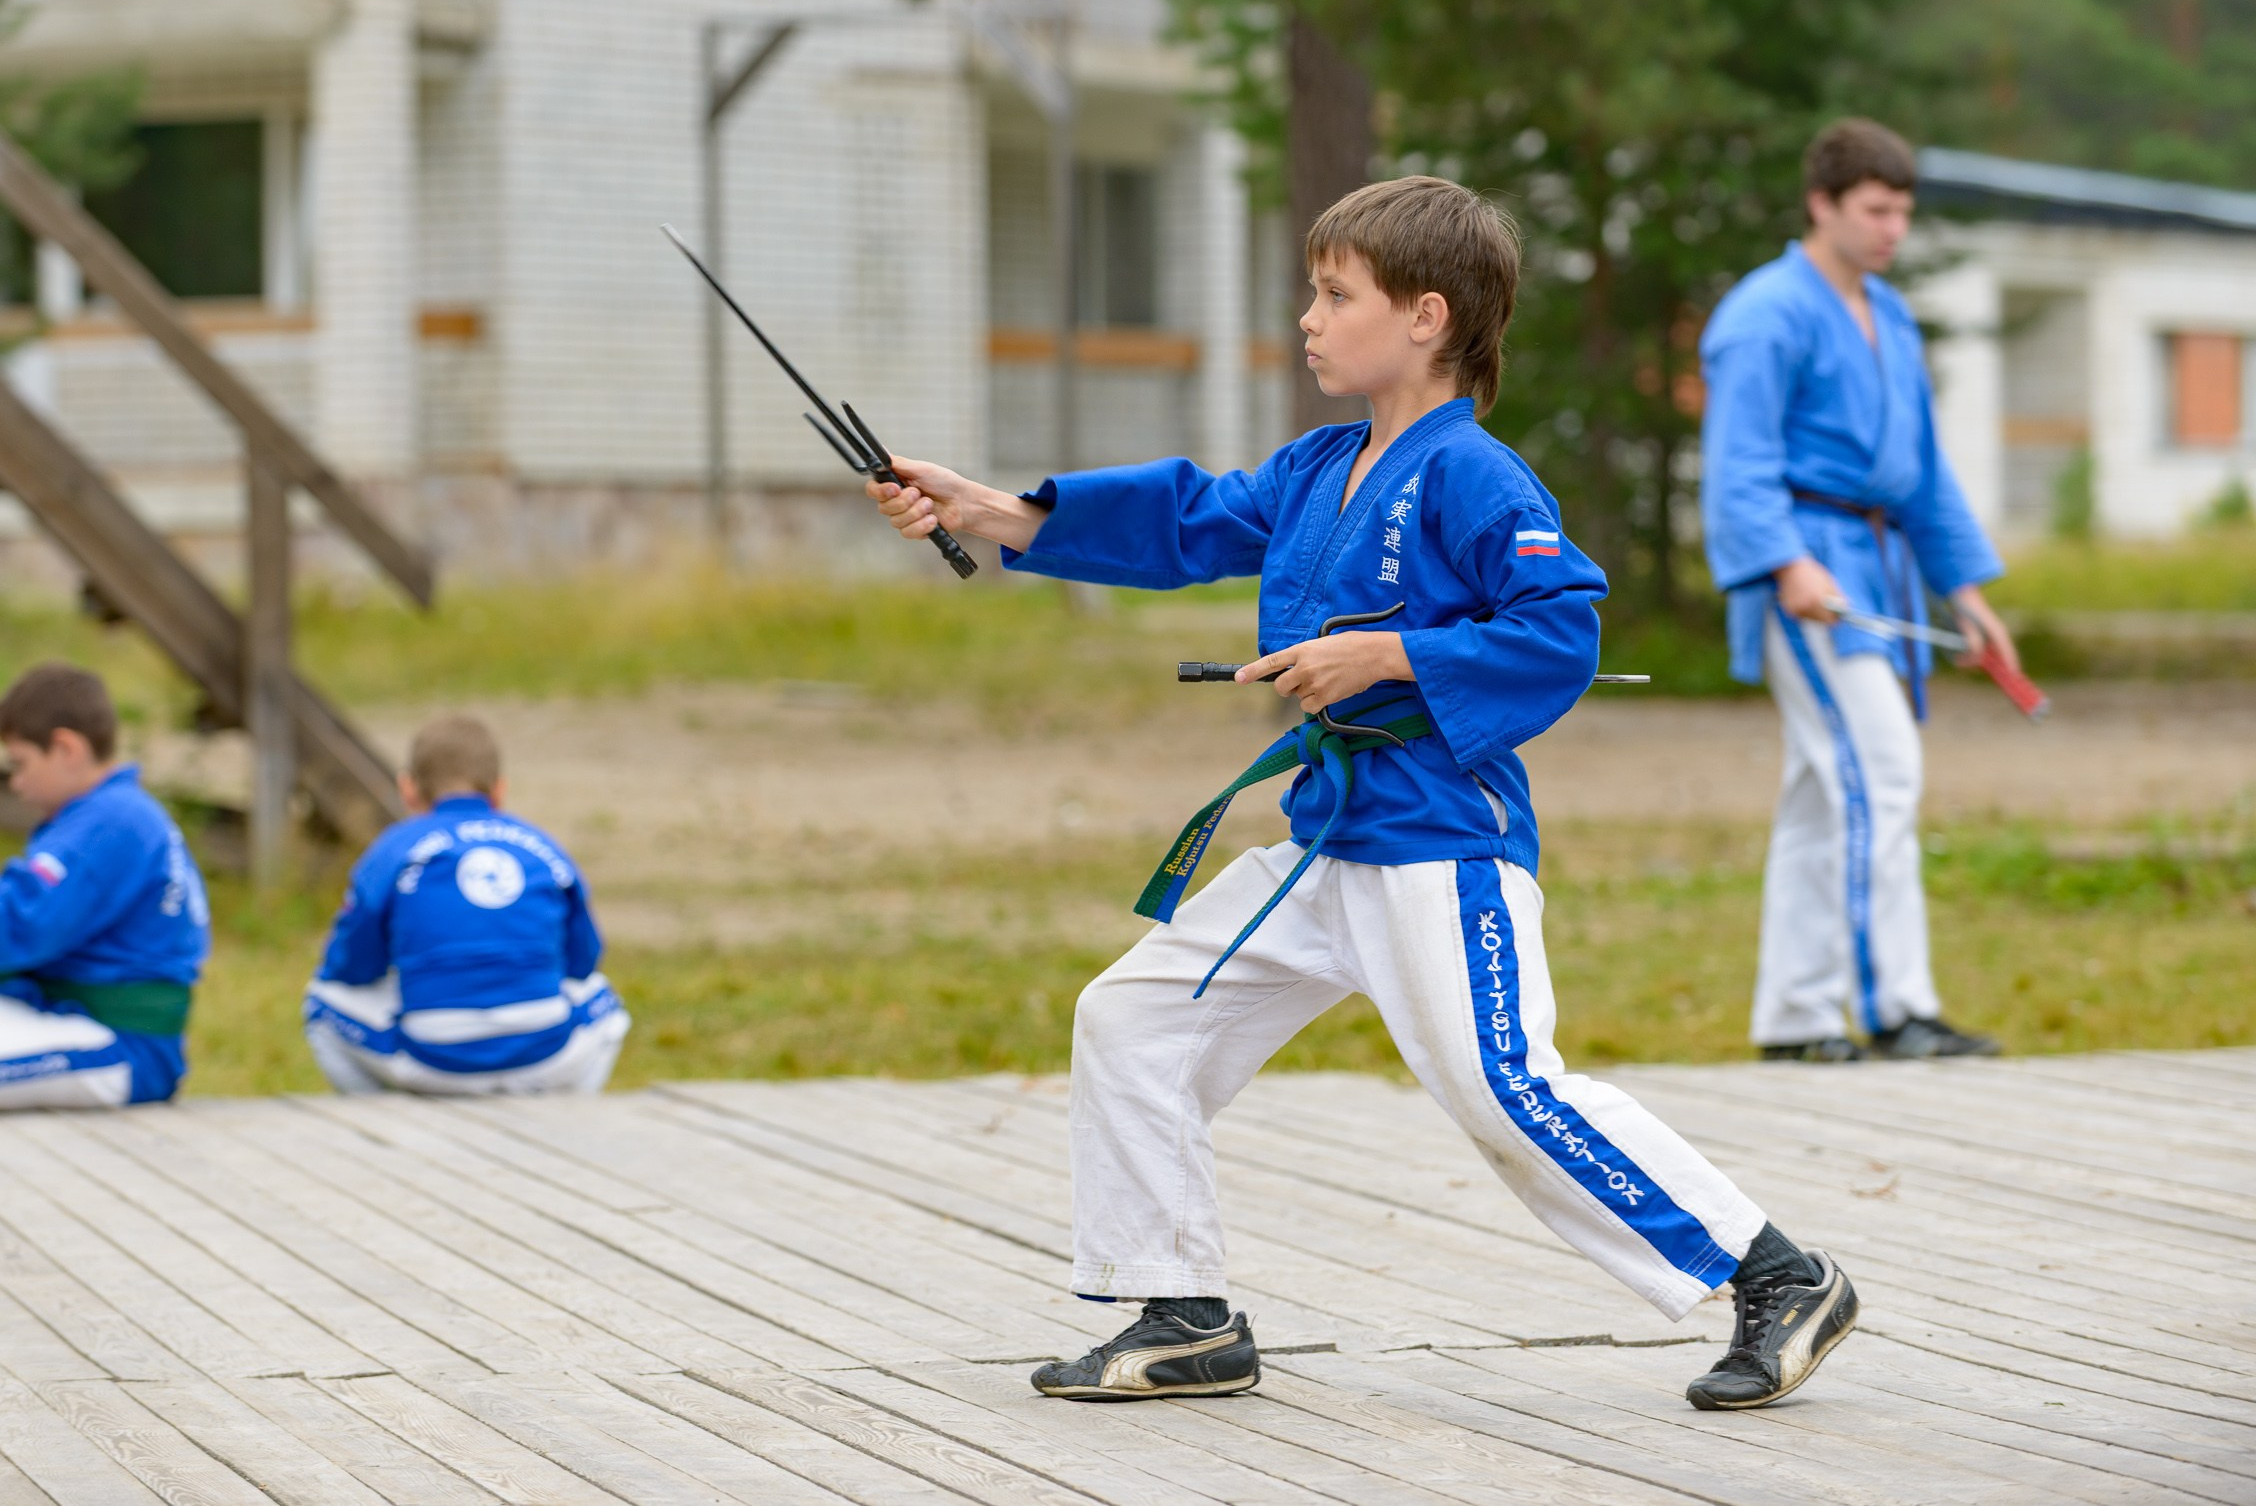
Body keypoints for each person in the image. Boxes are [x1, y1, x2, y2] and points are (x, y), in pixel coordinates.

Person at [867, 175, 1855, 1412]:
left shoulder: (1476, 476)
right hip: (1328, 841)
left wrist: (1386, 654)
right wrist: (991, 510)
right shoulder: (1321, 462)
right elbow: (1189, 523)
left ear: (1427, 316)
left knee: (1504, 1089)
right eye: (1314, 293)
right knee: (1133, 1022)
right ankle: (1181, 1314)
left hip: (1439, 839)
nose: (1309, 318)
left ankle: (1778, 1274)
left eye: (1336, 295)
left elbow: (1562, 634)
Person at [1699, 119, 2015, 1064]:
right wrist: (1786, 560)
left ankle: (1794, 1019)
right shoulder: (1765, 313)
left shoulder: (1892, 314)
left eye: (1903, 212)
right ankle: (1894, 1005)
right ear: (1823, 202)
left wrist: (1964, 586)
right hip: (1811, 570)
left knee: (1820, 795)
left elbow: (1919, 468)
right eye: (1876, 210)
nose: (1892, 230)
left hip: (1876, 564)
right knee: (1881, 771)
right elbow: (1738, 460)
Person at [0, 663, 210, 1114]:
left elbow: (11, 929)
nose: (15, 783)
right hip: (67, 1010)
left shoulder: (114, 822)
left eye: (20, 763)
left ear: (65, 748)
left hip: (123, 1045)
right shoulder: (106, 815)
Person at [304, 715, 629, 1095]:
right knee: (606, 1003)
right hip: (543, 1052)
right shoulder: (541, 846)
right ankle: (567, 1112)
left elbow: (349, 967)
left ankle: (384, 1114)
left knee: (320, 1001)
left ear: (408, 790)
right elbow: (583, 961)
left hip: (436, 1054)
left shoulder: (394, 848)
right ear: (499, 790)